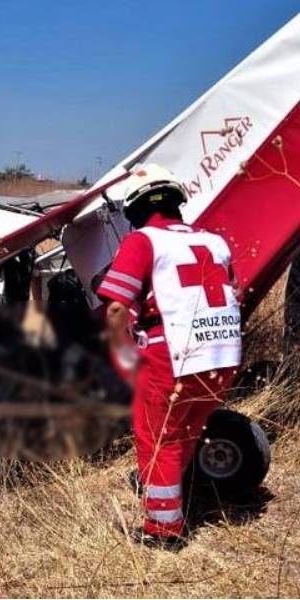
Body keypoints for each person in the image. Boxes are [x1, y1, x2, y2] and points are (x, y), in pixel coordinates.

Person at [95, 164, 242, 549]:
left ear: (135, 210)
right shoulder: (215, 242)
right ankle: (175, 496)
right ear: (178, 203)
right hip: (222, 354)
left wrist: (123, 358)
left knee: (158, 438)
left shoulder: (142, 241)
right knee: (186, 430)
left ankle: (162, 530)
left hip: (172, 354)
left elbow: (114, 309)